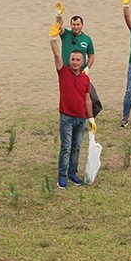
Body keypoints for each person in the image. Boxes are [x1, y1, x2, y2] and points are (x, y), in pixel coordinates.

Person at [49, 23, 96, 188]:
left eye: (78, 60)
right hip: (67, 117)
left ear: (82, 61)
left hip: (81, 118)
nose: (75, 62)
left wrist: (91, 118)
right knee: (66, 147)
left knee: (76, 148)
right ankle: (62, 176)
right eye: (73, 59)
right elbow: (56, 55)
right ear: (69, 60)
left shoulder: (85, 78)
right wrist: (52, 39)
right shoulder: (63, 72)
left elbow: (87, 99)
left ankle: (73, 174)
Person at [55, 3, 96, 72]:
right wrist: (59, 15)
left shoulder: (87, 39)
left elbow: (91, 55)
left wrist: (87, 68)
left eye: (78, 25)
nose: (76, 27)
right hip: (67, 71)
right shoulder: (65, 34)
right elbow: (59, 25)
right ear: (70, 25)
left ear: (82, 25)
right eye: (73, 24)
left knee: (88, 83)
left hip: (81, 71)